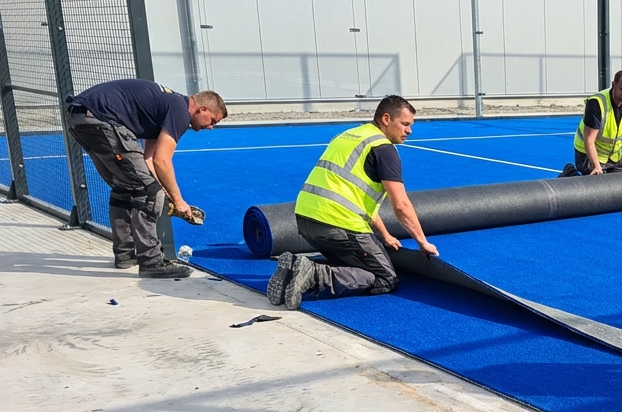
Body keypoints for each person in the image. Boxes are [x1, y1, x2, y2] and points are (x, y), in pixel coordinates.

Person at [267, 95, 439, 310]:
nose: (409, 131)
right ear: (386, 119)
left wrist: (385, 235)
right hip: (337, 224)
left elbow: (354, 196)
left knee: (351, 265)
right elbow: (401, 205)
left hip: (305, 220)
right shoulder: (383, 148)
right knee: (385, 278)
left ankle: (294, 269)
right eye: (405, 124)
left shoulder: (349, 135)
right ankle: (315, 274)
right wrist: (422, 242)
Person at [66, 80, 225, 277]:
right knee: (149, 194)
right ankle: (151, 262)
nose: (211, 127)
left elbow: (148, 161)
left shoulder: (167, 106)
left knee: (126, 187)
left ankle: (125, 255)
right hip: (101, 119)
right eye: (213, 121)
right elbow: (162, 161)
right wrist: (178, 201)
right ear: (202, 109)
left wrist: (166, 193)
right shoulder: (180, 112)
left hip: (80, 118)